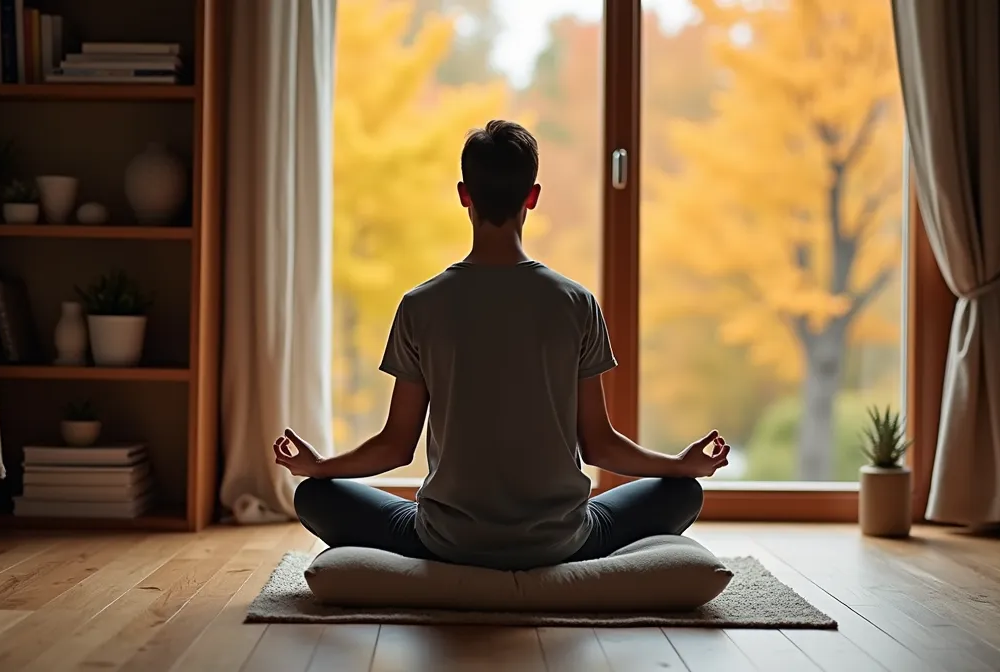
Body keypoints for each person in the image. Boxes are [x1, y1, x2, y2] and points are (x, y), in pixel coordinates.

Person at [273, 120, 731, 571]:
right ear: (532, 197)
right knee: (683, 491)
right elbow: (600, 446)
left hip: (446, 543)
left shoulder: (420, 305)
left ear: (463, 195)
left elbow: (396, 447)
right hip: (562, 543)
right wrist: (677, 463)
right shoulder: (576, 304)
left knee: (314, 495)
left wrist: (321, 466)